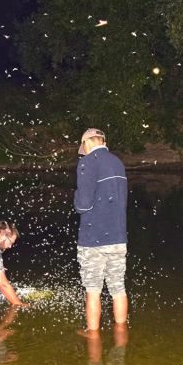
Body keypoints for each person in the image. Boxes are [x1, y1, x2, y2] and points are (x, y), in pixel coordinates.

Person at [74, 128, 129, 332]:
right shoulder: (117, 162)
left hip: (94, 239)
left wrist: (75, 198)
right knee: (118, 289)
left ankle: (93, 338)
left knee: (93, 291)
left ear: (87, 143)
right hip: (118, 237)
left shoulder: (87, 162)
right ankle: (121, 337)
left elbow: (83, 205)